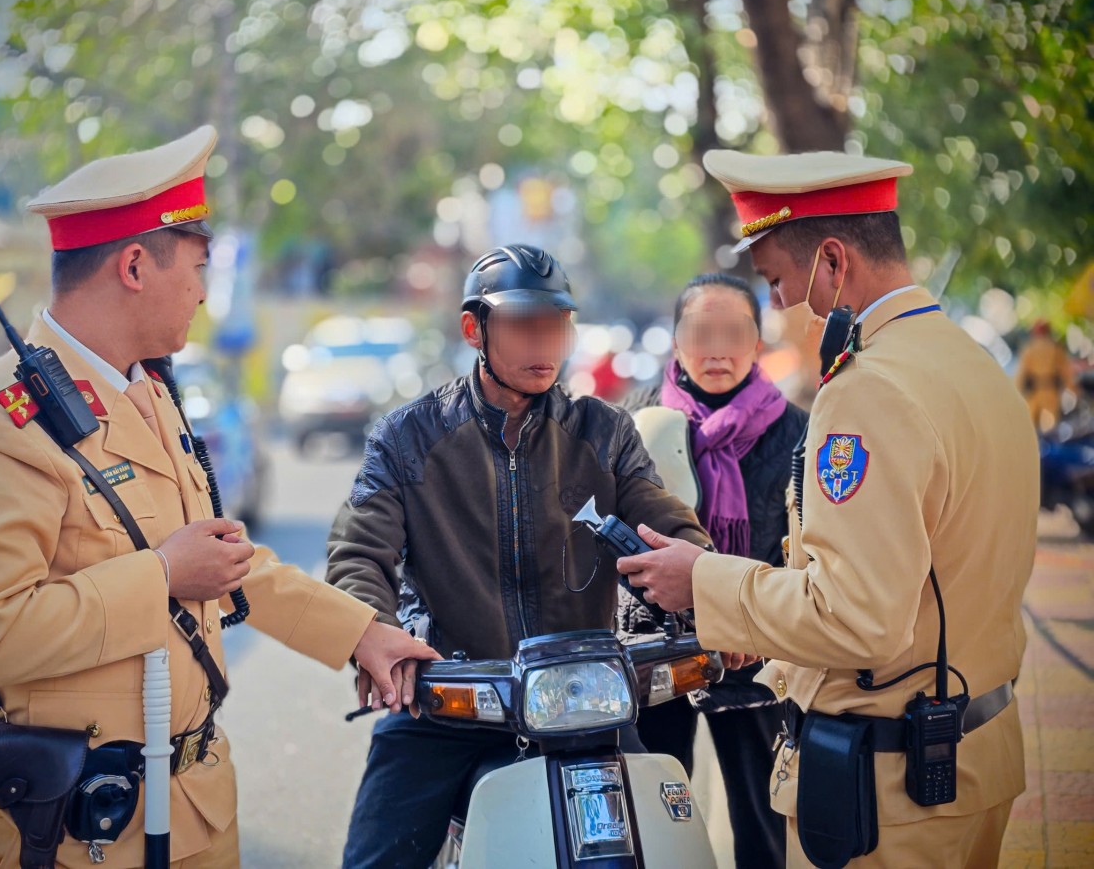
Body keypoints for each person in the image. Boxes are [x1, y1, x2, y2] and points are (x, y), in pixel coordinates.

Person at [0, 126, 437, 868]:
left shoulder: (148, 391)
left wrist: (359, 633)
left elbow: (219, 560)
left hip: (191, 807)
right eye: (196, 267)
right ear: (134, 265)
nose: (201, 291)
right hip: (67, 829)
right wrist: (160, 576)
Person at [616, 150, 1039, 867]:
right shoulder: (969, 363)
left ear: (833, 261)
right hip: (973, 753)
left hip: (891, 788)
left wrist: (706, 580)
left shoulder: (867, 390)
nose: (781, 304)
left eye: (779, 278)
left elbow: (858, 617)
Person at [326, 243, 714, 868]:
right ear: (473, 328)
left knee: (667, 850)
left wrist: (717, 588)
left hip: (584, 704)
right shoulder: (408, 437)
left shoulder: (604, 431)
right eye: (523, 324)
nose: (544, 343)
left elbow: (665, 523)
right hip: (450, 701)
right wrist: (370, 626)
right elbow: (358, 551)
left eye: (556, 324)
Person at [618, 272, 805, 868]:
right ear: (675, 342)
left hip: (755, 651)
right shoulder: (630, 425)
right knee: (658, 814)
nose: (718, 349)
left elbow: (806, 550)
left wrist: (749, 621)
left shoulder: (798, 433)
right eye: (702, 332)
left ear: (758, 342)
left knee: (762, 816)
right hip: (656, 651)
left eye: (735, 332)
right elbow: (609, 538)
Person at [1015, 319, 1076, 432]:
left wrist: (1017, 391)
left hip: (1035, 391)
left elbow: (1021, 373)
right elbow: (1066, 371)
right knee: (1050, 428)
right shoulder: (1055, 348)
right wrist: (1072, 389)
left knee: (1030, 427)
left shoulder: (1029, 348)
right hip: (1050, 391)